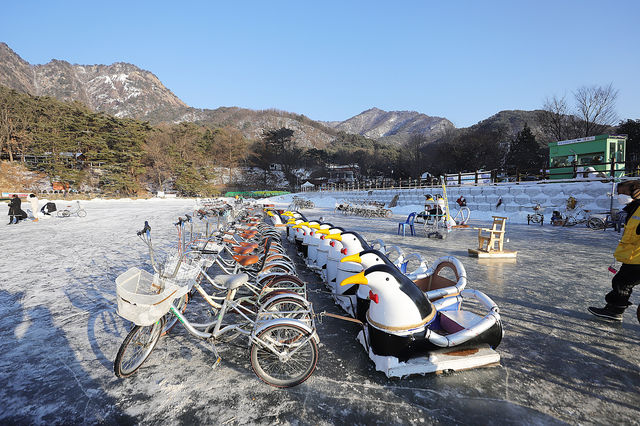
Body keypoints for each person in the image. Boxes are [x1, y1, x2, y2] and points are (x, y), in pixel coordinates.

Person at [588, 180, 640, 321]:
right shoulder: (633, 208)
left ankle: (615, 310)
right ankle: (615, 309)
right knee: (621, 282)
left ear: (636, 192)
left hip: (637, 258)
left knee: (622, 282)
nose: (620, 196)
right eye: (618, 193)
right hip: (633, 256)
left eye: (623, 193)